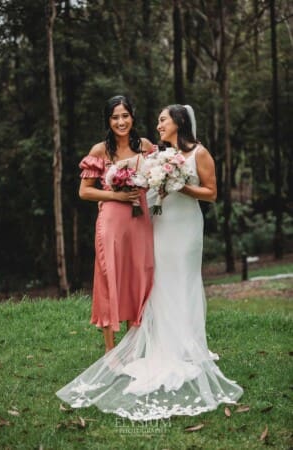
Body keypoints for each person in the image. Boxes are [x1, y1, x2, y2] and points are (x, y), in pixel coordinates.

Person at [56, 103, 243, 420]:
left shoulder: (199, 153)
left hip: (186, 226)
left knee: (185, 280)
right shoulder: (159, 155)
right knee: (159, 281)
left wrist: (179, 184)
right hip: (159, 225)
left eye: (162, 120)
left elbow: (211, 193)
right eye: (157, 121)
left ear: (178, 122)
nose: (157, 125)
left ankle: (189, 343)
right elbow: (128, 180)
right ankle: (160, 343)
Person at [78, 95, 154, 353]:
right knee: (110, 275)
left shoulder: (145, 146)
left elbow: (160, 173)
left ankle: (135, 346)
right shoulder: (100, 150)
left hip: (140, 219)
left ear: (132, 117)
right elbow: (85, 192)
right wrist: (116, 195)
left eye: (125, 116)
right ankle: (111, 353)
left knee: (140, 272)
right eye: (115, 117)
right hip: (112, 220)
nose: (121, 122)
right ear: (108, 121)